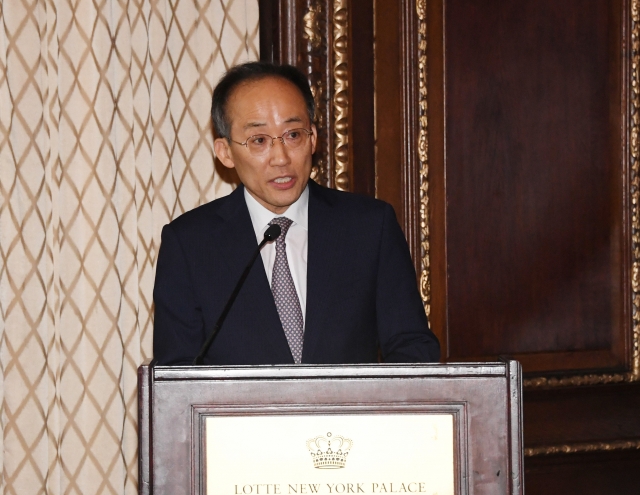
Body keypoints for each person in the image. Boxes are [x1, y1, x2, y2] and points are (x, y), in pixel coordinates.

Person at [153, 62, 440, 365]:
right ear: (225, 152)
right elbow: (175, 377)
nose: (281, 158)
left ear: (313, 138)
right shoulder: (190, 244)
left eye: (293, 135)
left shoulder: (368, 228)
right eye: (259, 140)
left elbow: (413, 351)